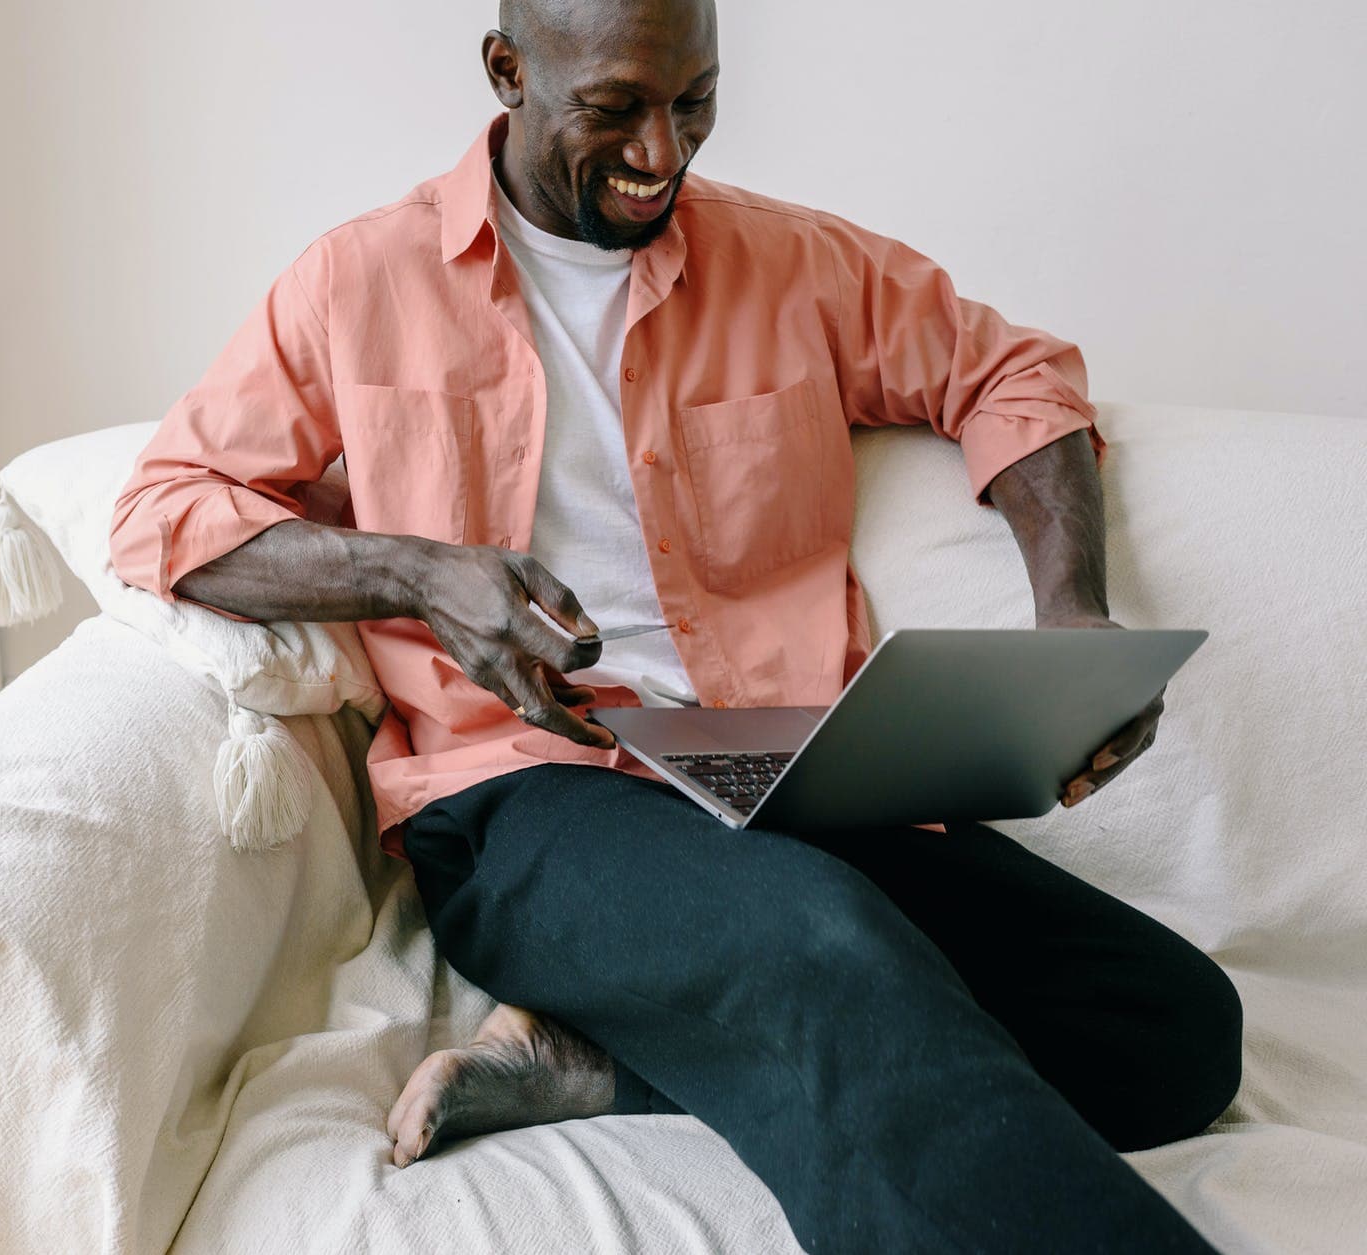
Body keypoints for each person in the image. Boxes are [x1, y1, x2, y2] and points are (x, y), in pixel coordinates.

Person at [110, 1, 1242, 1249]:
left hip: (790, 767)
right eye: (614, 108)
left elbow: (1012, 373)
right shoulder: (358, 280)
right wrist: (418, 573)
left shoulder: (788, 263)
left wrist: (1069, 611)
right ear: (506, 73)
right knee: (823, 942)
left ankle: (622, 1066)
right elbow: (166, 512)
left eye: (693, 101)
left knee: (1171, 1028)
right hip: (529, 793)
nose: (662, 150)